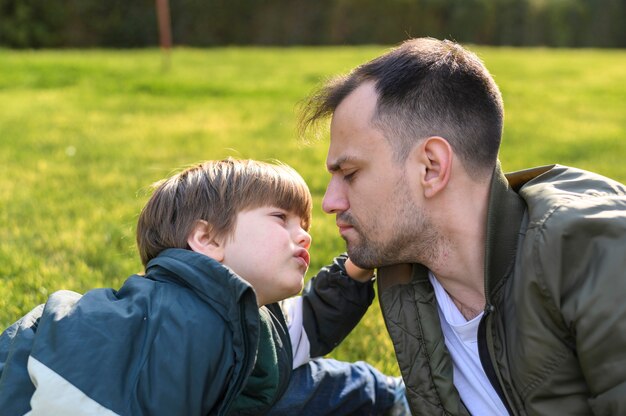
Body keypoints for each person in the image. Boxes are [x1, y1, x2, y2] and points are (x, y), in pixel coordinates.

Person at [299, 37, 626, 415]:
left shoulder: (591, 251)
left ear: (431, 167)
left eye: (350, 174)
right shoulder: (404, 272)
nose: (329, 202)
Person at [0, 158, 409, 415]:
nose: (303, 236)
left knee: (301, 379)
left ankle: (396, 398)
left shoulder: (243, 317)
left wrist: (356, 266)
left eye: (303, 226)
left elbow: (305, 328)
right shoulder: (180, 316)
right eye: (280, 218)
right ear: (207, 240)